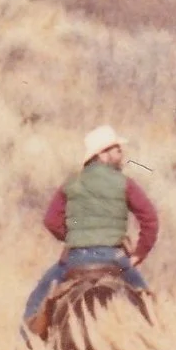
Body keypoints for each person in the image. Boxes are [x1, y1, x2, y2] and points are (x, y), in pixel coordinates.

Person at [24, 125, 160, 332]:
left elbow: (51, 220)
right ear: (102, 154)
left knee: (35, 304)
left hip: (75, 260)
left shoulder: (71, 184)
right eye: (117, 150)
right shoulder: (125, 183)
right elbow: (150, 219)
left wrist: (76, 237)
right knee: (150, 306)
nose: (121, 155)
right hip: (115, 261)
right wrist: (139, 254)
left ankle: (28, 344)